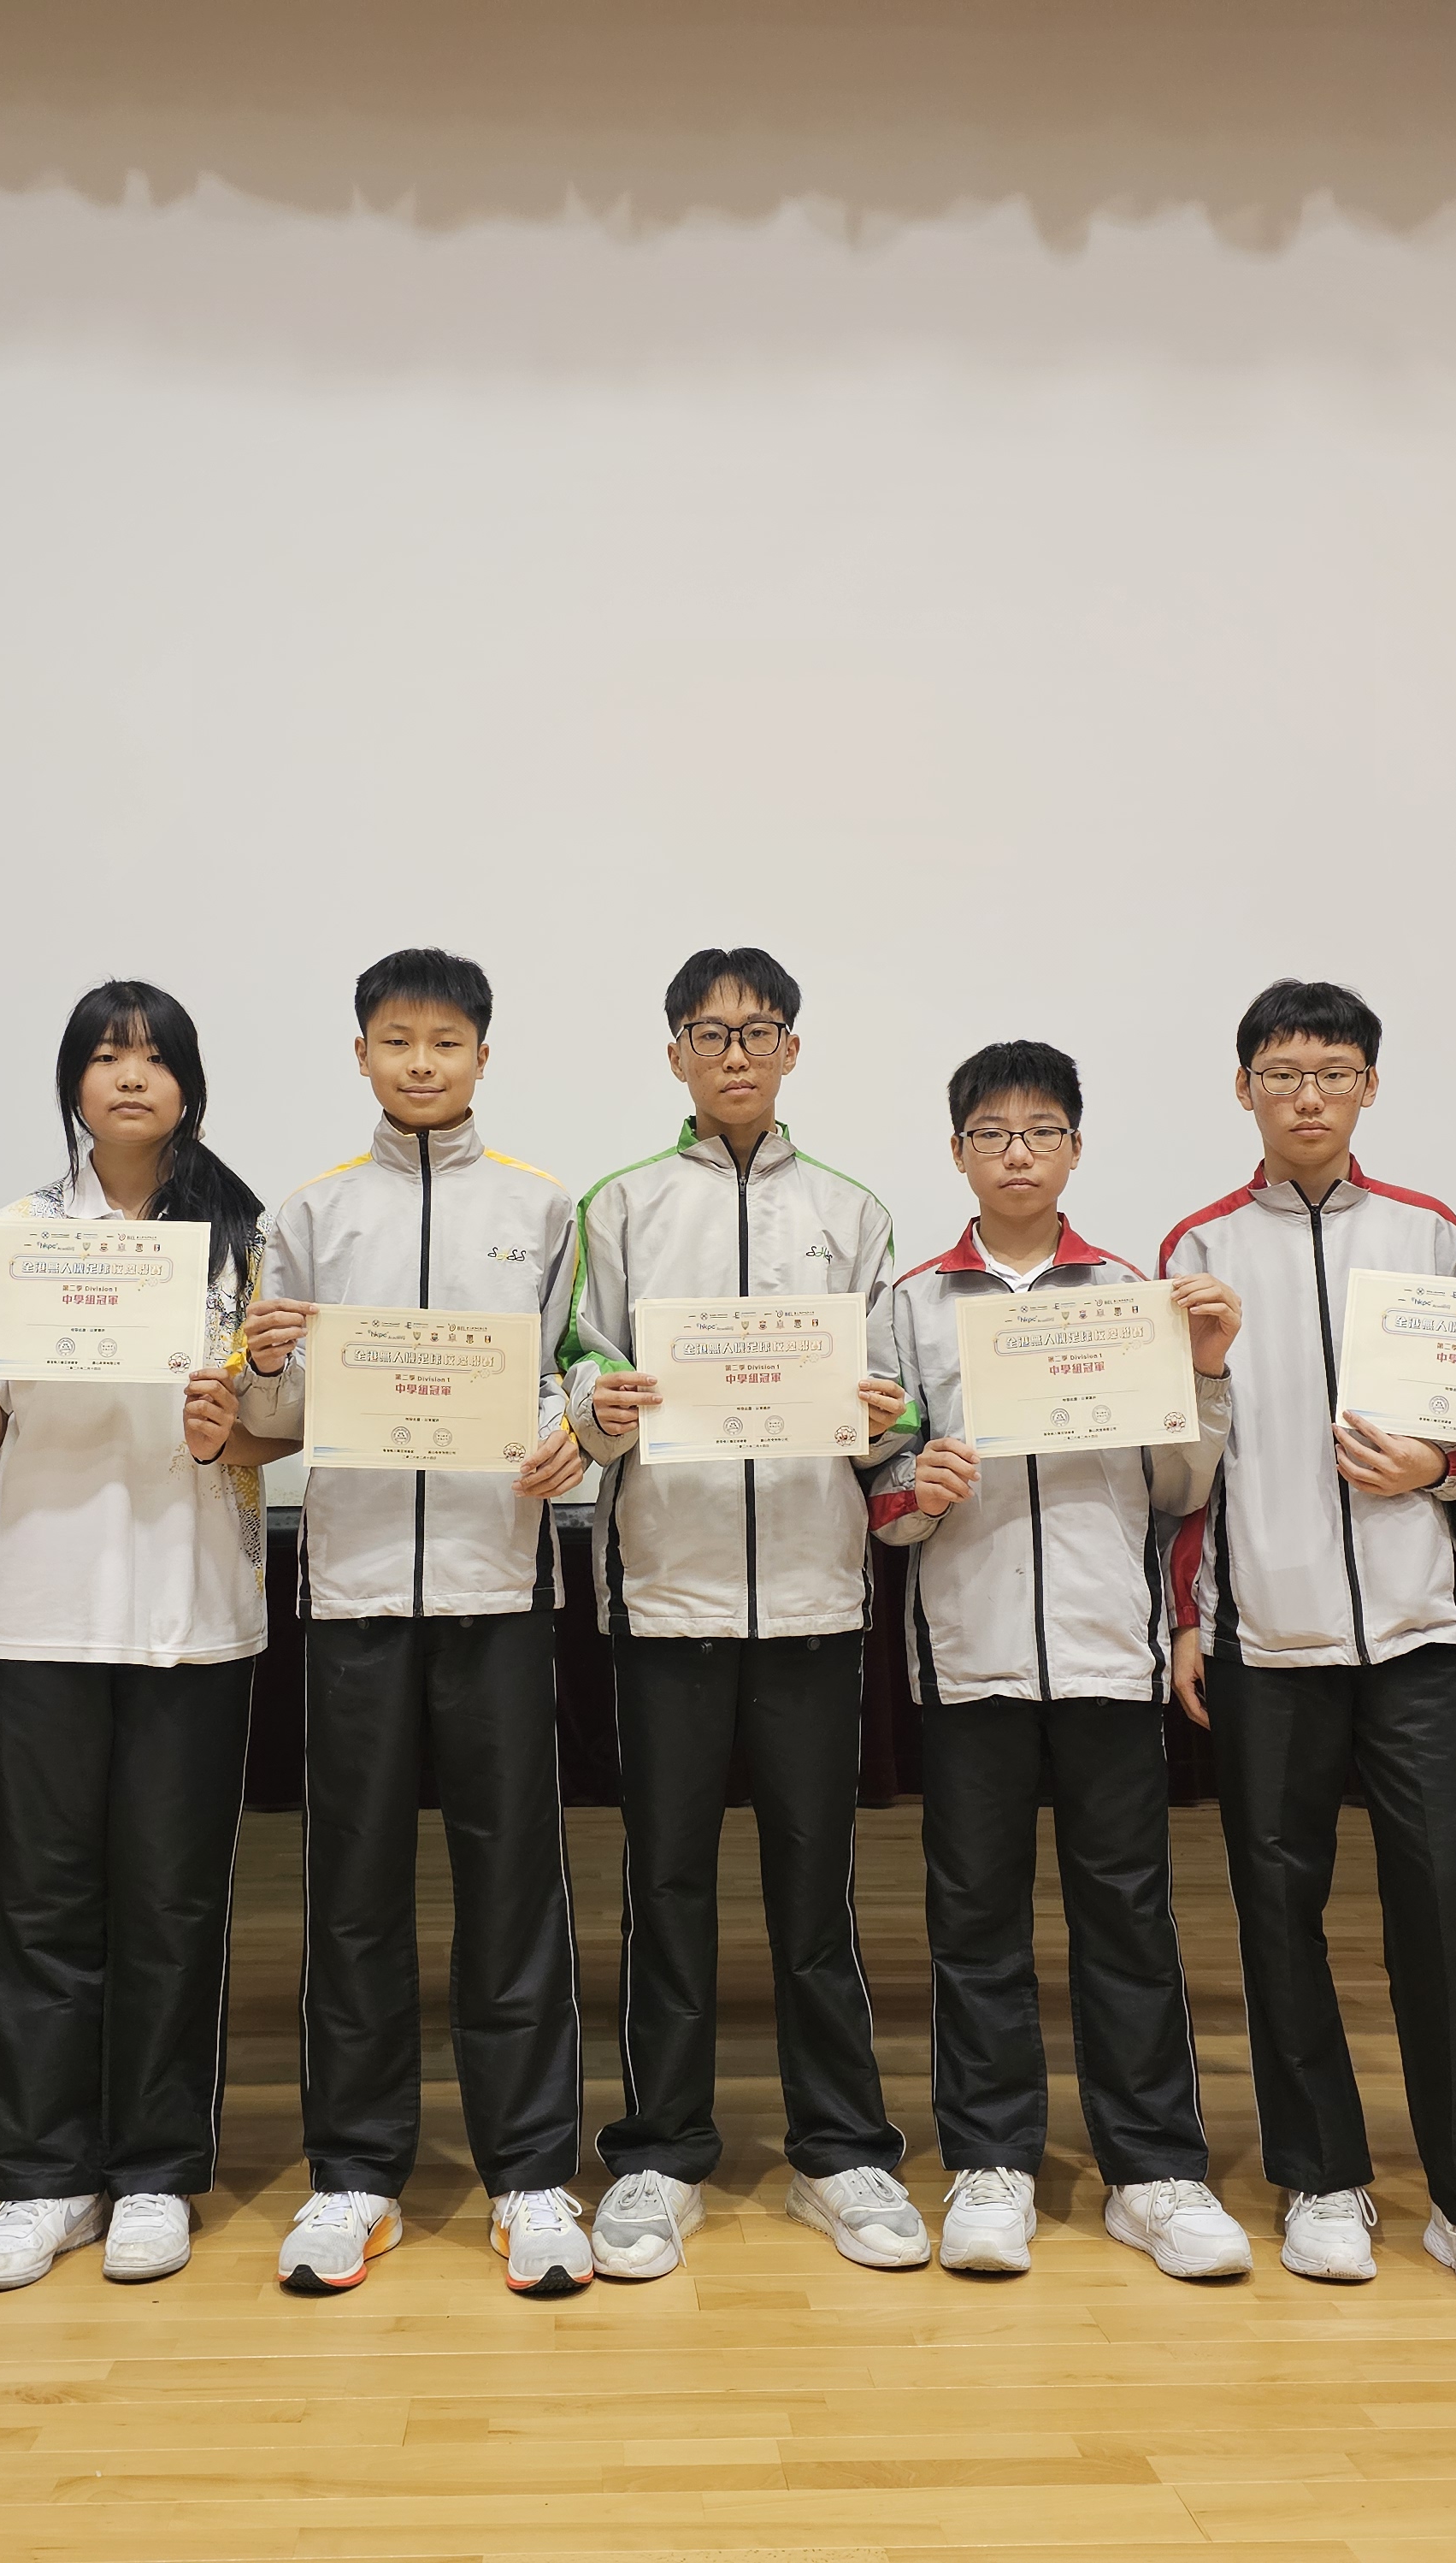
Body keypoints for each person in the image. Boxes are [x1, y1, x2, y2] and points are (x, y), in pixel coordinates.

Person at [1160, 978, 1456, 2304]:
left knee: (1441, 1911)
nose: (1308, 1096)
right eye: (1282, 1074)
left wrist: (1436, 1465)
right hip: (1264, 1638)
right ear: (1244, 1090)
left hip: (1412, 1636)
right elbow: (1184, 1467)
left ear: (1370, 1087)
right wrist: (1189, 1619)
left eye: (1333, 1072)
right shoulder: (1199, 1247)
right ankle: (1321, 2181)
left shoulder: (1429, 1234)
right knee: (1278, 1914)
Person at [557, 948, 921, 2280]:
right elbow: (578, 1371)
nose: (735, 1055)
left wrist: (884, 1415)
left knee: (815, 1890)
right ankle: (658, 2154)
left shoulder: (852, 1212)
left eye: (759, 1032)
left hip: (816, 1601)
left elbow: (899, 1401)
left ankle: (842, 2152)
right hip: (669, 1597)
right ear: (675, 1055)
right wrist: (601, 1407)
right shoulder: (620, 1206)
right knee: (667, 1886)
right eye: (710, 1034)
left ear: (792, 1051)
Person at [234, 948, 593, 2296]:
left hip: (500, 1588)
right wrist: (266, 1364)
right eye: (398, 1041)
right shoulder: (309, 1214)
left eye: (447, 1042)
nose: (423, 1063)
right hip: (358, 1592)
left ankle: (532, 2175)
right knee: (355, 1891)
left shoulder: (544, 1207)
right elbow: (268, 1418)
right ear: (363, 1056)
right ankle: (355, 2175)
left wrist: (572, 1432)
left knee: (513, 1887)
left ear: (484, 1056)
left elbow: (573, 1377)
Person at [0, 982, 293, 2291]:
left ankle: (154, 2173)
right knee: (39, 1903)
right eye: (104, 1055)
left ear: (188, 1084)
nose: (129, 1076)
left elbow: (275, 1427)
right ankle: (41, 2179)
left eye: (153, 1057)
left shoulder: (242, 1239)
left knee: (172, 1902)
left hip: (191, 1604)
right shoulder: (20, 1234)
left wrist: (237, 1428)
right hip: (43, 1600)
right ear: (73, 1084)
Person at [866, 1040, 1250, 2282]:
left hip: (1105, 1655)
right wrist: (917, 1484)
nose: (1017, 1153)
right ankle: (991, 2162)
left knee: (1126, 1917)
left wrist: (1203, 1373)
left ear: (1075, 1148)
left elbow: (1181, 1483)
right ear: (959, 1153)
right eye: (992, 1133)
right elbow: (879, 1491)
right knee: (974, 1919)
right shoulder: (909, 1304)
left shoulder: (1136, 1296)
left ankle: (1154, 2171)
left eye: (1040, 1131)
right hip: (969, 1655)